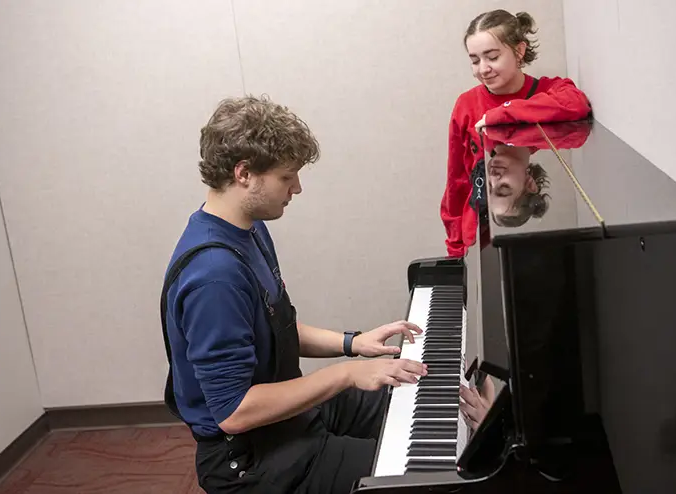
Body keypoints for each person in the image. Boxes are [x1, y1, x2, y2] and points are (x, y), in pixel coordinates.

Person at [160, 95, 429, 494]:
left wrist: (352, 344)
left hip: (284, 417)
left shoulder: (249, 230)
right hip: (250, 457)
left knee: (412, 406)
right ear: (244, 173)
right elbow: (233, 412)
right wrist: (345, 374)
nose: (297, 188)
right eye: (287, 177)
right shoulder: (215, 276)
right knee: (413, 478)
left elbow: (271, 327)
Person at [440, 9, 592, 257]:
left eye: (492, 57)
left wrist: (503, 114)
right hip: (473, 236)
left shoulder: (548, 89)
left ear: (519, 51)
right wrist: (456, 249)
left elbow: (576, 103)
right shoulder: (465, 104)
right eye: (475, 60)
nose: (483, 69)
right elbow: (457, 179)